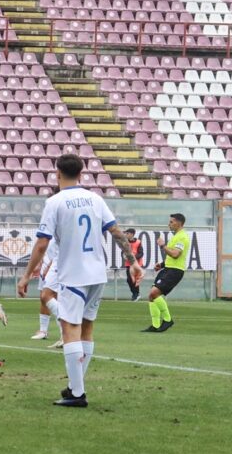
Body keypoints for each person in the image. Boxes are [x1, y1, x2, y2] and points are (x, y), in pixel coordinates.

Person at [17, 154, 141, 408]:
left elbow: (42, 243)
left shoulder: (55, 201)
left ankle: (77, 394)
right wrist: (134, 262)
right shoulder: (95, 199)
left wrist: (27, 274)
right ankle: (76, 386)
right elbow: (116, 231)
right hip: (97, 274)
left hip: (74, 274)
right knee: (87, 329)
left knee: (69, 328)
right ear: (81, 174)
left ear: (57, 173)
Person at [143, 213, 189, 333]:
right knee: (151, 296)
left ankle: (168, 320)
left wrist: (163, 245)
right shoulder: (176, 236)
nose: (169, 224)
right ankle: (156, 325)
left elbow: (175, 254)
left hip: (175, 271)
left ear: (179, 223)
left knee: (154, 293)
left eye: (171, 222)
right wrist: (162, 265)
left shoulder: (182, 237)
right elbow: (172, 255)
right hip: (168, 269)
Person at [31, 236, 64, 348]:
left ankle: (65, 331)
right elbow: (42, 248)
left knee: (53, 296)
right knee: (43, 296)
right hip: (47, 264)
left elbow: (58, 253)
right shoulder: (48, 234)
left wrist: (48, 267)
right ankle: (43, 331)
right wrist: (39, 264)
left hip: (56, 266)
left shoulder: (60, 232)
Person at [125, 228, 145, 301]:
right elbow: (123, 252)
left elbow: (141, 253)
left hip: (137, 264)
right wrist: (124, 256)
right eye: (126, 233)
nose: (126, 235)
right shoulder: (125, 242)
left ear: (132, 234)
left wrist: (133, 257)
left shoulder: (138, 242)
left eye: (127, 233)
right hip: (128, 264)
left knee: (135, 280)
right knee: (129, 280)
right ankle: (135, 293)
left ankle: (136, 294)